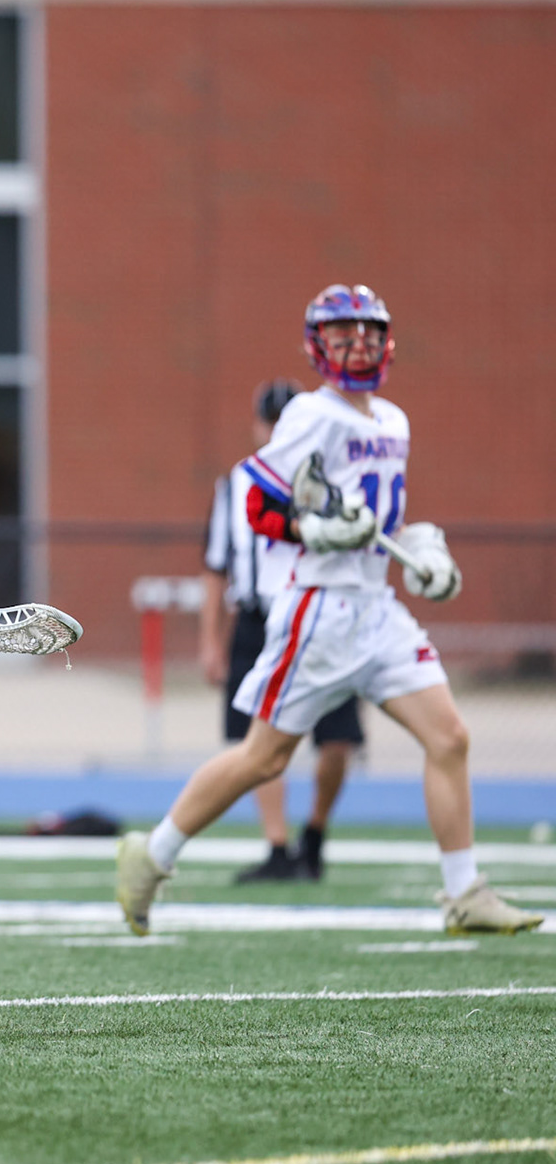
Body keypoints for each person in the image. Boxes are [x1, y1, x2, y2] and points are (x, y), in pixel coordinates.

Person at [119, 285, 541, 937]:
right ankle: (153, 854)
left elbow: (379, 520)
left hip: (377, 607)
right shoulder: (311, 416)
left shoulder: (393, 421)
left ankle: (464, 893)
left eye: (367, 333)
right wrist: (312, 531)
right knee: (264, 758)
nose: (358, 345)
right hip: (318, 611)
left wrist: (420, 551)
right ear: (319, 345)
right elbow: (256, 505)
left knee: (449, 737)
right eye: (343, 335)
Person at [200, 378, 362, 883]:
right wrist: (210, 639)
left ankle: (313, 836)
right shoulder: (239, 483)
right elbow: (216, 565)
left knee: (337, 739)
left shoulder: (331, 484)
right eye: (268, 421)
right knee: (252, 743)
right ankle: (276, 846)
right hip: (258, 618)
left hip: (319, 615)